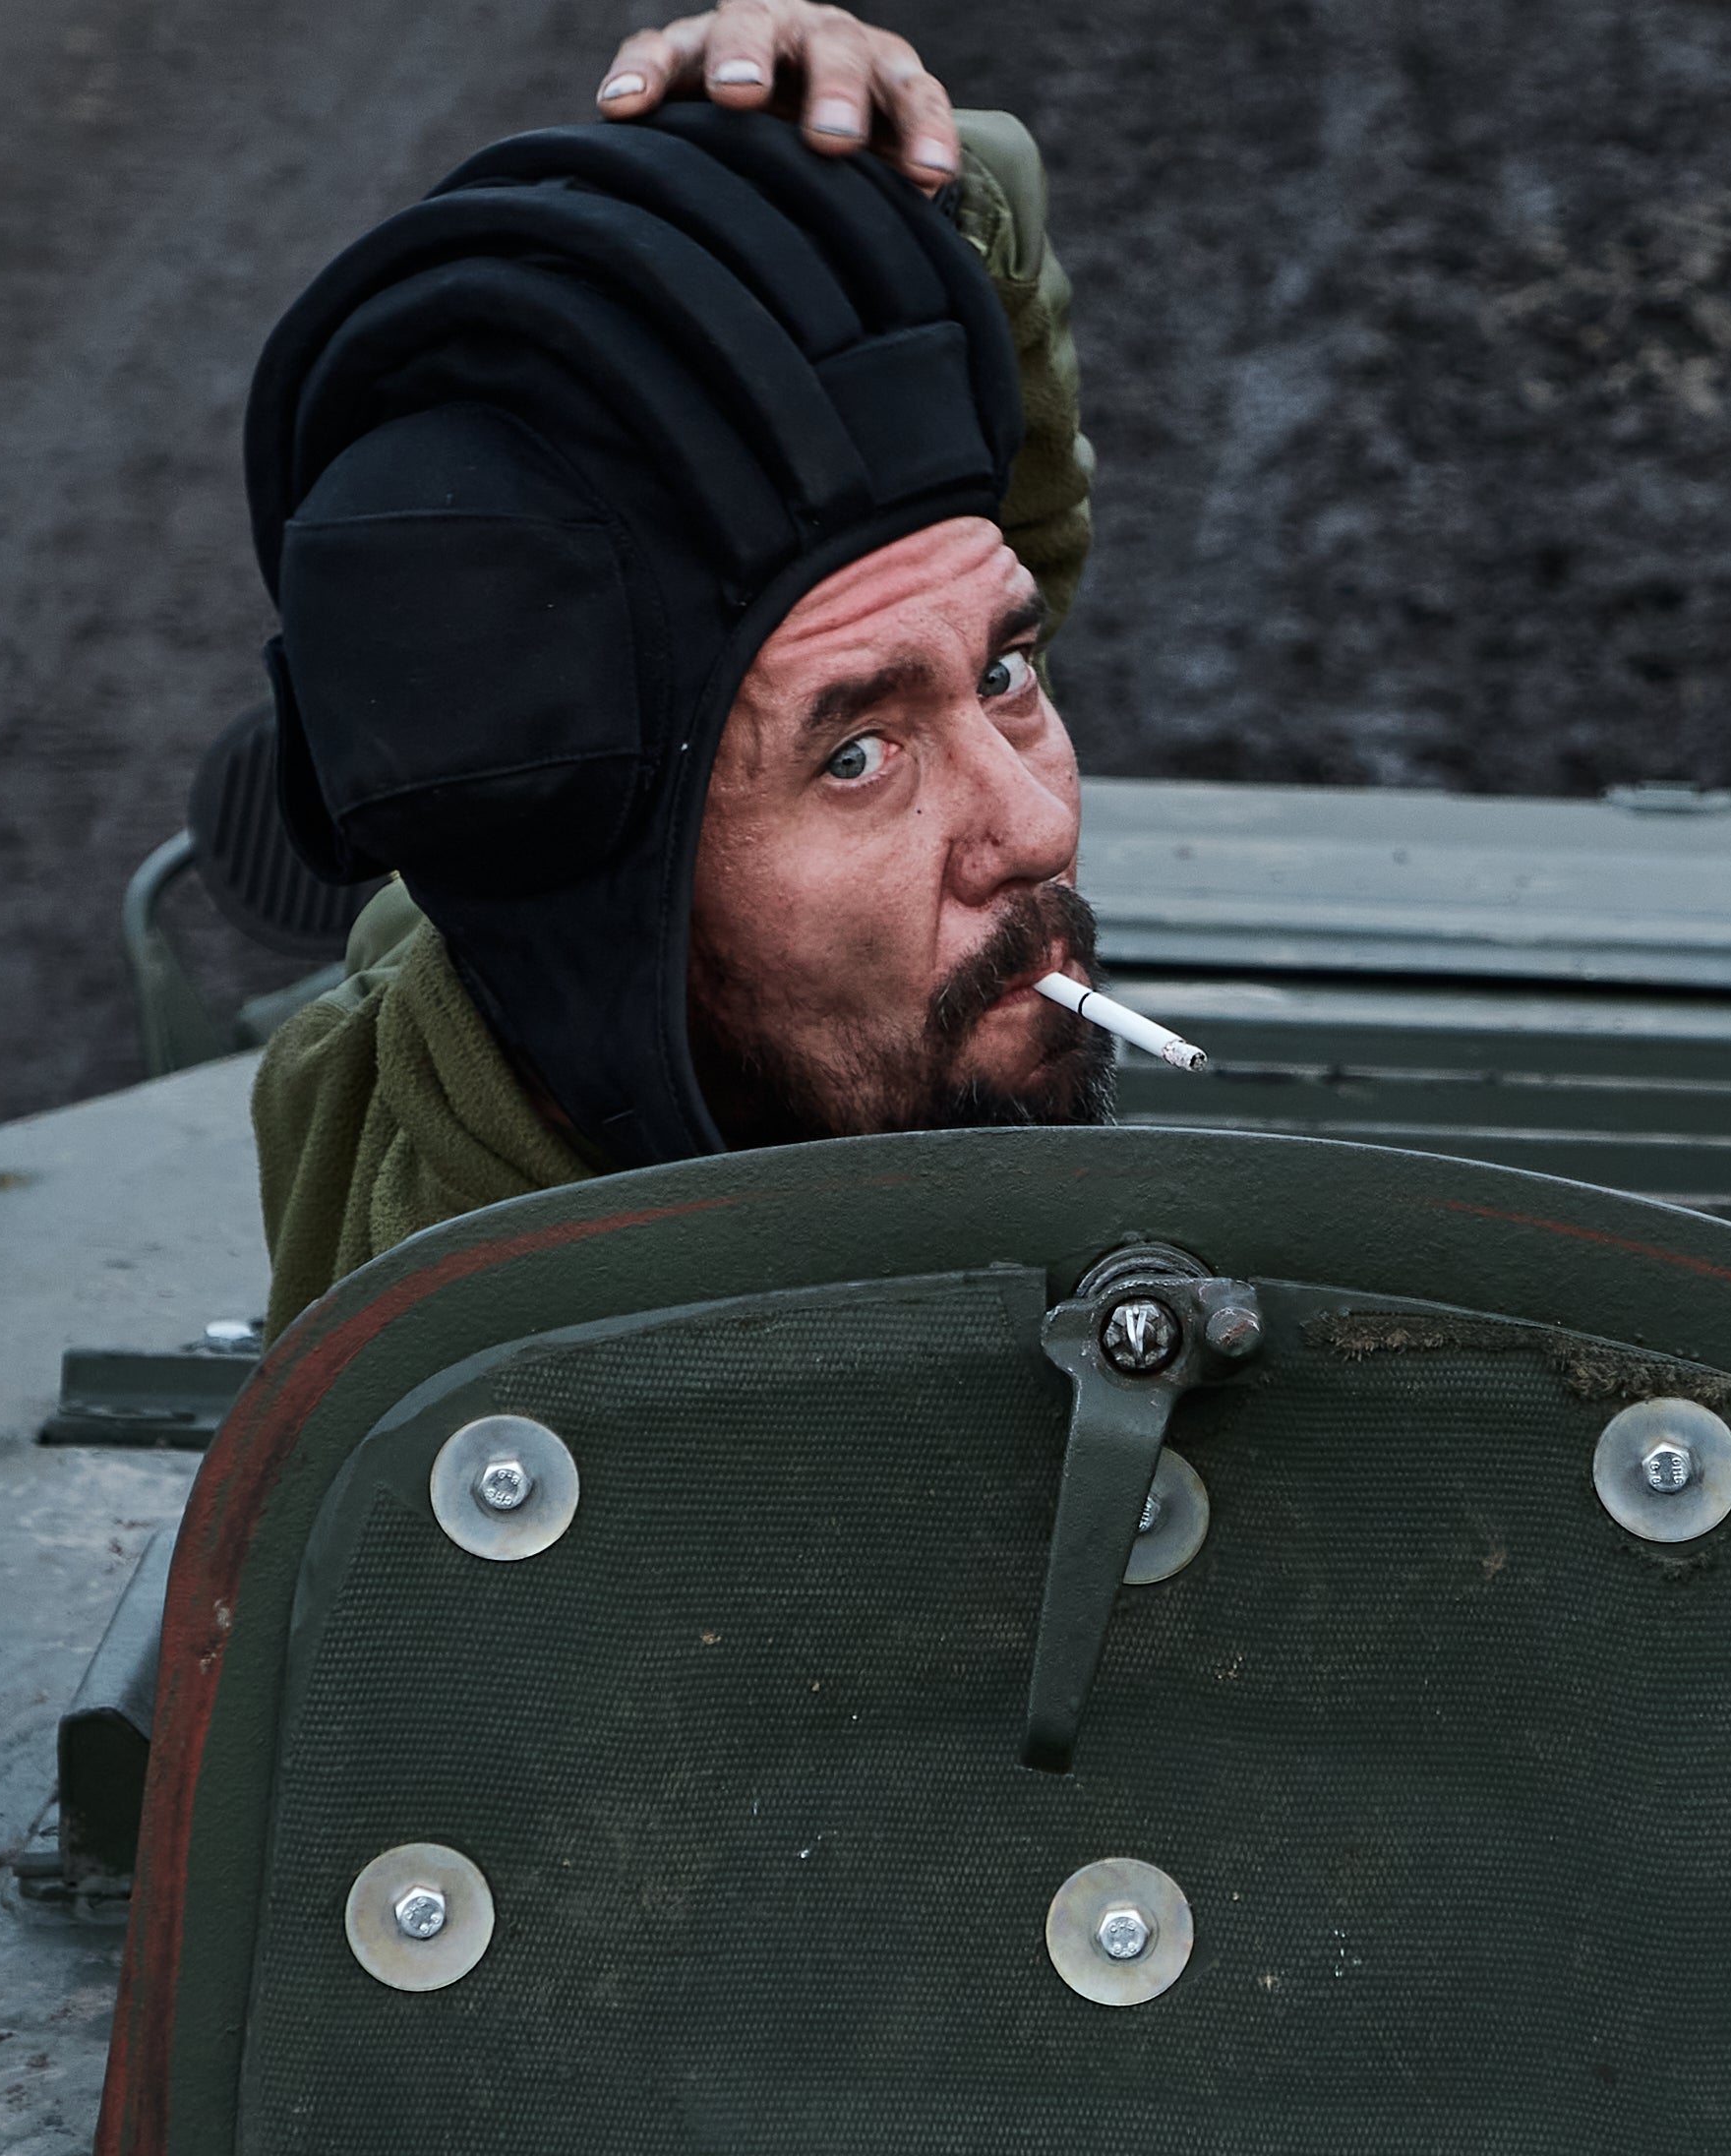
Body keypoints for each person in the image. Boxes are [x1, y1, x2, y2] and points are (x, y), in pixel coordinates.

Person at [248, 7, 1103, 1331]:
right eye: (858, 756)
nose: (1039, 827)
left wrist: (891, 202)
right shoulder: (546, 1390)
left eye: (1002, 680)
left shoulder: (793, 998)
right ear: (624, 919)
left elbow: (972, 551)